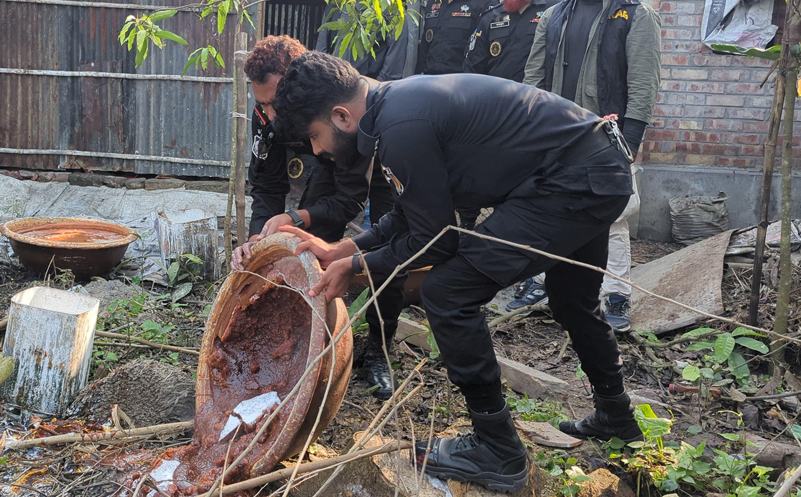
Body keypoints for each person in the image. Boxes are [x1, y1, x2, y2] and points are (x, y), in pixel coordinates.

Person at [271, 52, 643, 491]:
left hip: (572, 181)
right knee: (571, 298)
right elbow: (415, 216)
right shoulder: (396, 109)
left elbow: (437, 240)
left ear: (340, 116)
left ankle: (497, 448)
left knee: (448, 291)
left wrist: (356, 267)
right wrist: (344, 248)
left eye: (315, 137)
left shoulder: (399, 128)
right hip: (594, 166)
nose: (318, 151)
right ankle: (616, 416)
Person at [234, 35, 405, 399]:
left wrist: (296, 218)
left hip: (371, 165)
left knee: (389, 244)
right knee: (292, 249)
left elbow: (346, 200)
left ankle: (379, 348)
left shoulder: (332, 109)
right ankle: (294, 341)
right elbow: (266, 185)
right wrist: (255, 241)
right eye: (261, 104)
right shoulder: (267, 113)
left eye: (274, 103)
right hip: (322, 170)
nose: (268, 113)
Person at [515, 0, 662, 333]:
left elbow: (644, 85)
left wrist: (629, 142)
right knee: (548, 206)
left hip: (609, 139)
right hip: (558, 136)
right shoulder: (554, 15)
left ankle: (616, 295)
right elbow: (534, 77)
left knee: (613, 217)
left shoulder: (635, 16)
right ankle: (541, 280)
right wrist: (529, 129)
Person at [462, 0, 563, 82]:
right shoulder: (490, 18)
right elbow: (473, 70)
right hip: (498, 100)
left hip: (539, 100)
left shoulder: (556, 10)